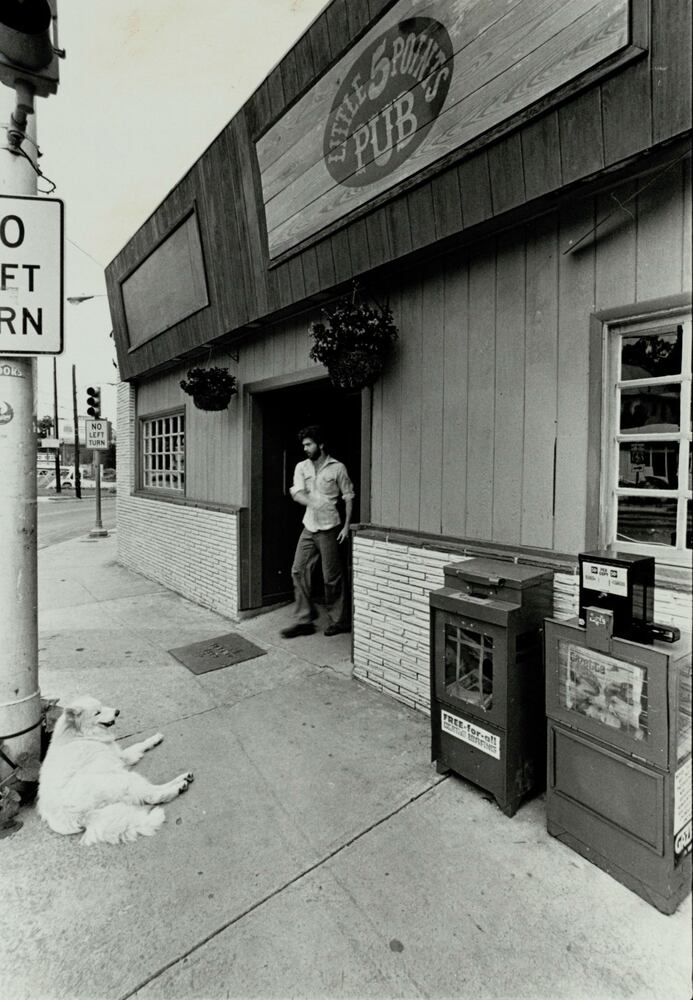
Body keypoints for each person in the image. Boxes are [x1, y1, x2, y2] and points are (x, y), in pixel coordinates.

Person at [280, 425, 354, 638]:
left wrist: (347, 526)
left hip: (330, 528)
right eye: (303, 445)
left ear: (320, 445)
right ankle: (305, 620)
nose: (305, 448)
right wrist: (310, 500)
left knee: (331, 577)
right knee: (298, 570)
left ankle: (339, 621)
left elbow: (348, 496)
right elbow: (297, 491)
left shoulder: (337, 468)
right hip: (309, 526)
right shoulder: (301, 467)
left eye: (309, 444)